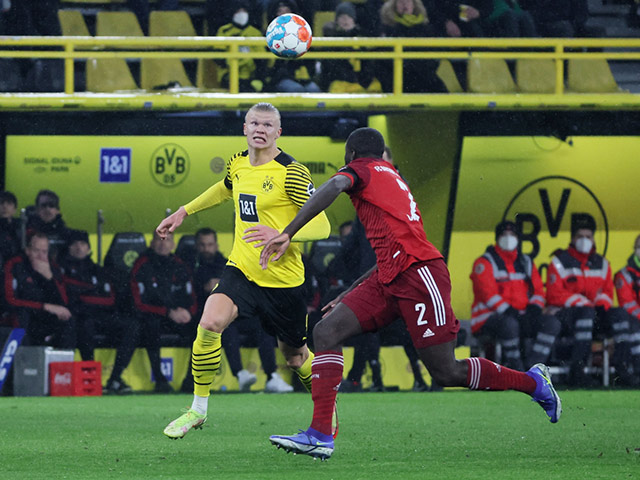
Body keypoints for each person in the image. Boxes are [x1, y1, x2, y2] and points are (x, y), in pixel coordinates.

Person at [261, 127, 561, 460]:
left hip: (419, 274)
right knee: (326, 330)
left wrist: (288, 232)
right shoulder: (389, 176)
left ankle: (533, 383)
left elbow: (334, 184)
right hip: (390, 275)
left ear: (350, 156)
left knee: (446, 371)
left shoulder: (364, 169)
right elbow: (393, 246)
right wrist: (350, 290)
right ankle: (319, 434)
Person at [157, 102, 331, 439]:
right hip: (242, 270)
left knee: (296, 358)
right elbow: (225, 188)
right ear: (245, 128)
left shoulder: (292, 172)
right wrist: (184, 211)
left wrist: (286, 234)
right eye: (254, 123)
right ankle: (198, 409)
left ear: (278, 132)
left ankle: (326, 412)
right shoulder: (238, 163)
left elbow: (322, 224)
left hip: (283, 282)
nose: (260, 130)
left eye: (268, 125)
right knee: (209, 323)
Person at [184, 227, 290, 393]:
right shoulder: (190, 266)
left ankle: (272, 376)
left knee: (264, 326)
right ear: (197, 246)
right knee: (225, 327)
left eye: (210, 244)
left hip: (236, 312)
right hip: (205, 316)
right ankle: (240, 374)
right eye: (203, 245)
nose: (207, 249)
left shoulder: (226, 263)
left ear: (216, 245)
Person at [546, 216, 636, 387]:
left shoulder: (601, 263)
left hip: (595, 314)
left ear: (594, 239)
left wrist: (602, 303)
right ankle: (577, 370)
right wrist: (581, 301)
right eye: (580, 236)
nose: (585, 241)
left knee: (620, 314)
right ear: (572, 239)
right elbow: (554, 294)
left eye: (588, 237)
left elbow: (608, 292)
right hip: (569, 316)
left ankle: (622, 366)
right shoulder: (560, 261)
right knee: (586, 314)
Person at [470, 221, 561, 371]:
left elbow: (538, 290)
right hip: (488, 318)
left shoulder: (526, 262)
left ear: (518, 239)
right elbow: (488, 294)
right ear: (497, 238)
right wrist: (510, 312)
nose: (508, 238)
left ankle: (533, 368)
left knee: (552, 323)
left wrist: (534, 308)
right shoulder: (485, 262)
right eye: (504, 235)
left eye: (512, 235)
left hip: (522, 316)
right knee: (509, 325)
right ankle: (516, 369)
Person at [58, 229, 141, 394]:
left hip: (102, 316)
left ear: (89, 248)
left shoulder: (98, 270)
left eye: (83, 244)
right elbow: (67, 296)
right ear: (68, 247)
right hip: (80, 317)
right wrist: (92, 291)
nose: (79, 247)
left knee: (132, 325)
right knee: (84, 324)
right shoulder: (61, 270)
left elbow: (110, 298)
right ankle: (91, 377)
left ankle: (115, 378)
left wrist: (82, 294)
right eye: (75, 244)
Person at [128, 231, 198, 393]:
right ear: (151, 243)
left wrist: (188, 312)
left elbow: (192, 297)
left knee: (201, 329)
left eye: (167, 240)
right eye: (159, 240)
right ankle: (160, 380)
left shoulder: (180, 265)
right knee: (150, 326)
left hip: (178, 316)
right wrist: (166, 312)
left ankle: (191, 379)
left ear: (173, 244)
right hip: (153, 316)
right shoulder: (142, 264)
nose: (163, 244)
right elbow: (138, 303)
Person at [3, 231, 76, 350]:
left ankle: (63, 365)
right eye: (36, 251)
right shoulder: (14, 265)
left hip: (42, 318)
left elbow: (63, 302)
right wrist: (43, 306)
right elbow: (10, 300)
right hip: (22, 314)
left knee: (68, 319)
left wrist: (49, 278)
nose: (41, 256)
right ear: (27, 250)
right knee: (21, 316)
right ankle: (22, 364)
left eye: (44, 252)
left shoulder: (52, 267)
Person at [379, 0, 448, 93]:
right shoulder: (386, 29)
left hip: (425, 77)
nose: (404, 4)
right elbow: (384, 58)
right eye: (400, 2)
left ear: (414, 5)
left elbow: (434, 56)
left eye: (408, 1)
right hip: (396, 79)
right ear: (394, 6)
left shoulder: (426, 28)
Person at [319, 2, 382, 94]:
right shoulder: (330, 40)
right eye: (342, 17)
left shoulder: (361, 39)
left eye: (349, 16)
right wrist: (353, 79)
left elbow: (368, 65)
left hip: (360, 83)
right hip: (339, 83)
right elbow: (331, 69)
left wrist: (362, 81)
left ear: (353, 20)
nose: (345, 20)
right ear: (336, 20)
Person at [265, 0, 322, 93]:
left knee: (314, 90)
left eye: (287, 11)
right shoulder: (268, 36)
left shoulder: (303, 36)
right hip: (280, 79)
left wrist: (303, 72)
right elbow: (268, 67)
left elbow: (310, 63)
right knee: (295, 89)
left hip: (303, 79)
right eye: (280, 11)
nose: (283, 15)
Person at [214, 0, 268, 93]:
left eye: (244, 11)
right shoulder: (224, 31)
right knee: (242, 87)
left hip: (251, 75)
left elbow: (261, 59)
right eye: (238, 12)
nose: (242, 14)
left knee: (260, 88)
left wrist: (258, 76)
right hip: (229, 74)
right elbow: (219, 57)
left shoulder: (254, 32)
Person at [611, 235, 640, 383]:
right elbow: (626, 302)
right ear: (635, 250)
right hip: (634, 318)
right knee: (634, 327)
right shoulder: (625, 274)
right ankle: (637, 369)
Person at [26, 189, 71, 262]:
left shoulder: (66, 234)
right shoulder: (26, 232)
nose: (47, 209)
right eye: (43, 205)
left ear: (57, 210)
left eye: (51, 205)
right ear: (37, 209)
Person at [0, 190, 21, 267]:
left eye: (9, 203)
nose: (4, 206)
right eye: (1, 203)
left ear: (14, 209)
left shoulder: (21, 229)